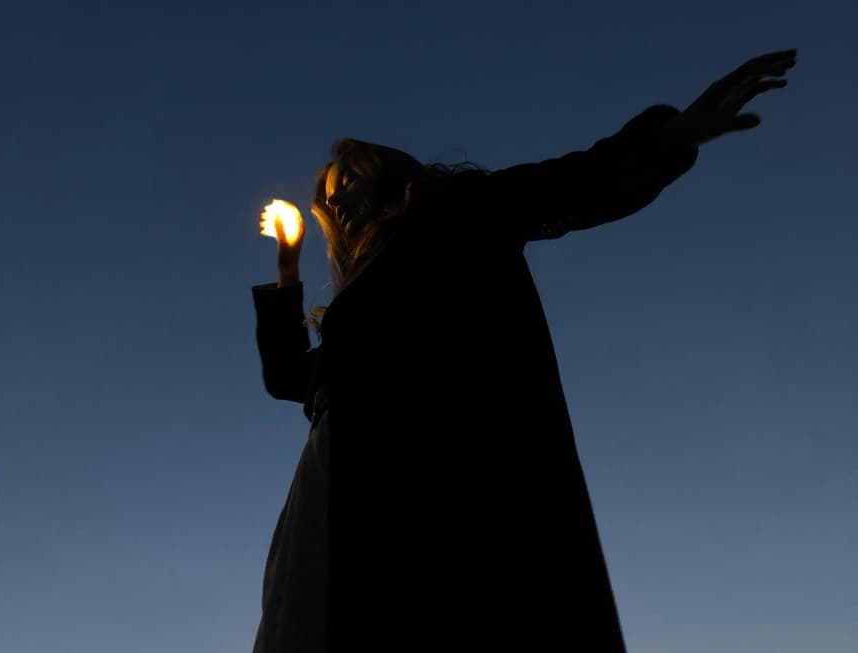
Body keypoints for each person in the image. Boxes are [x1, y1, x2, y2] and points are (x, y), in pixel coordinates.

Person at [250, 49, 797, 652]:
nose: (337, 195)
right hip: (341, 484)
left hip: (445, 464)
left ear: (386, 171)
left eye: (349, 176)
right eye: (331, 192)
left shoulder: (452, 210)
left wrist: (673, 135)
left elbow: (572, 184)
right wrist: (286, 266)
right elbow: (289, 379)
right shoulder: (357, 301)